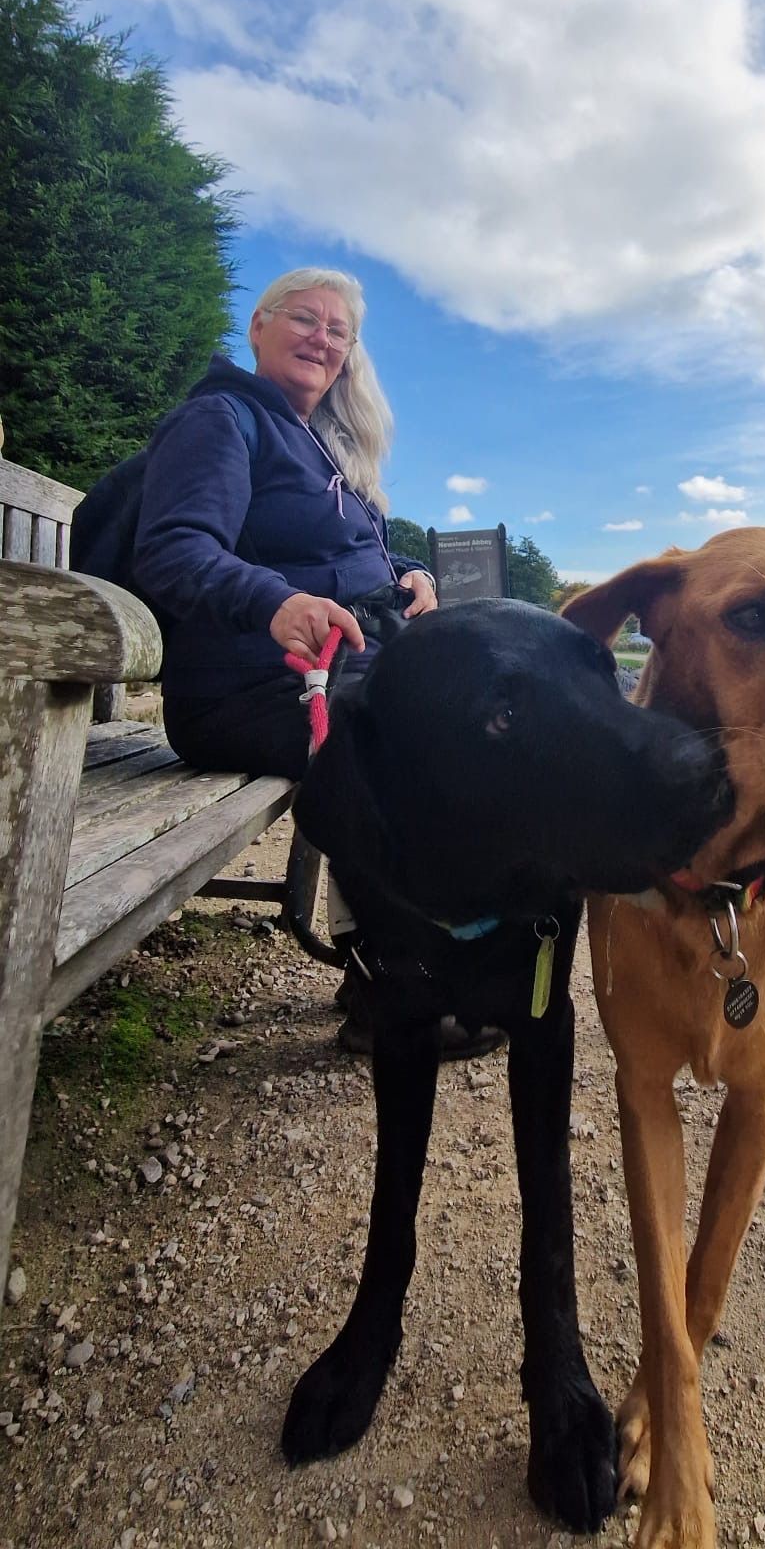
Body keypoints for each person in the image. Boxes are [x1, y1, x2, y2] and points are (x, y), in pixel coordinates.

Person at [133, 268, 497, 1057]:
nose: (322, 339)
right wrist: (273, 603)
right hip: (245, 687)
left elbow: (357, 550)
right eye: (305, 318)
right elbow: (172, 550)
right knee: (400, 740)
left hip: (329, 672)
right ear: (258, 328)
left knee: (472, 712)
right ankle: (392, 986)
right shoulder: (221, 419)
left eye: (339, 332)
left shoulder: (320, 447)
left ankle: (438, 952)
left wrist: (414, 575)